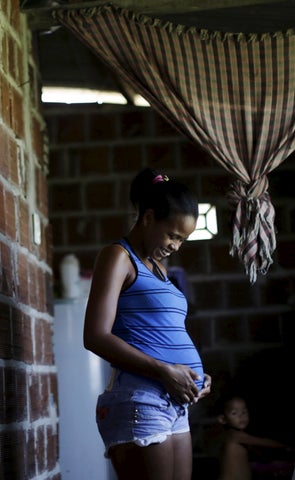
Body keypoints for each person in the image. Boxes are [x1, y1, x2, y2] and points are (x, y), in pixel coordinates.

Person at [83, 167, 212, 480]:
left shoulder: (160, 269)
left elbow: (163, 333)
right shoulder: (118, 256)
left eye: (183, 240)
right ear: (148, 218)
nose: (176, 246)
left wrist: (195, 377)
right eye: (173, 235)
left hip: (173, 405)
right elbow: (95, 336)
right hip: (140, 402)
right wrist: (165, 371)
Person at [212, 394, 295, 480]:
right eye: (234, 413)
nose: (241, 416)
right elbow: (262, 442)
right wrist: (284, 446)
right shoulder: (234, 435)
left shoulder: (237, 437)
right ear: (222, 419)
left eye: (244, 412)